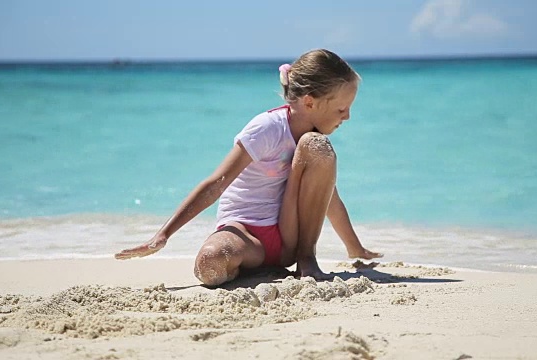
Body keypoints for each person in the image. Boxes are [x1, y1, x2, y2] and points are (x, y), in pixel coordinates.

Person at [115, 49, 383, 286]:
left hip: (289, 240)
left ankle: (307, 260)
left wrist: (354, 248)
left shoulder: (313, 143)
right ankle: (247, 269)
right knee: (210, 264)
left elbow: (328, 198)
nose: (347, 117)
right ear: (310, 102)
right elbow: (216, 183)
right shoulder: (266, 128)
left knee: (316, 145)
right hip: (246, 235)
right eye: (341, 109)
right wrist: (163, 235)